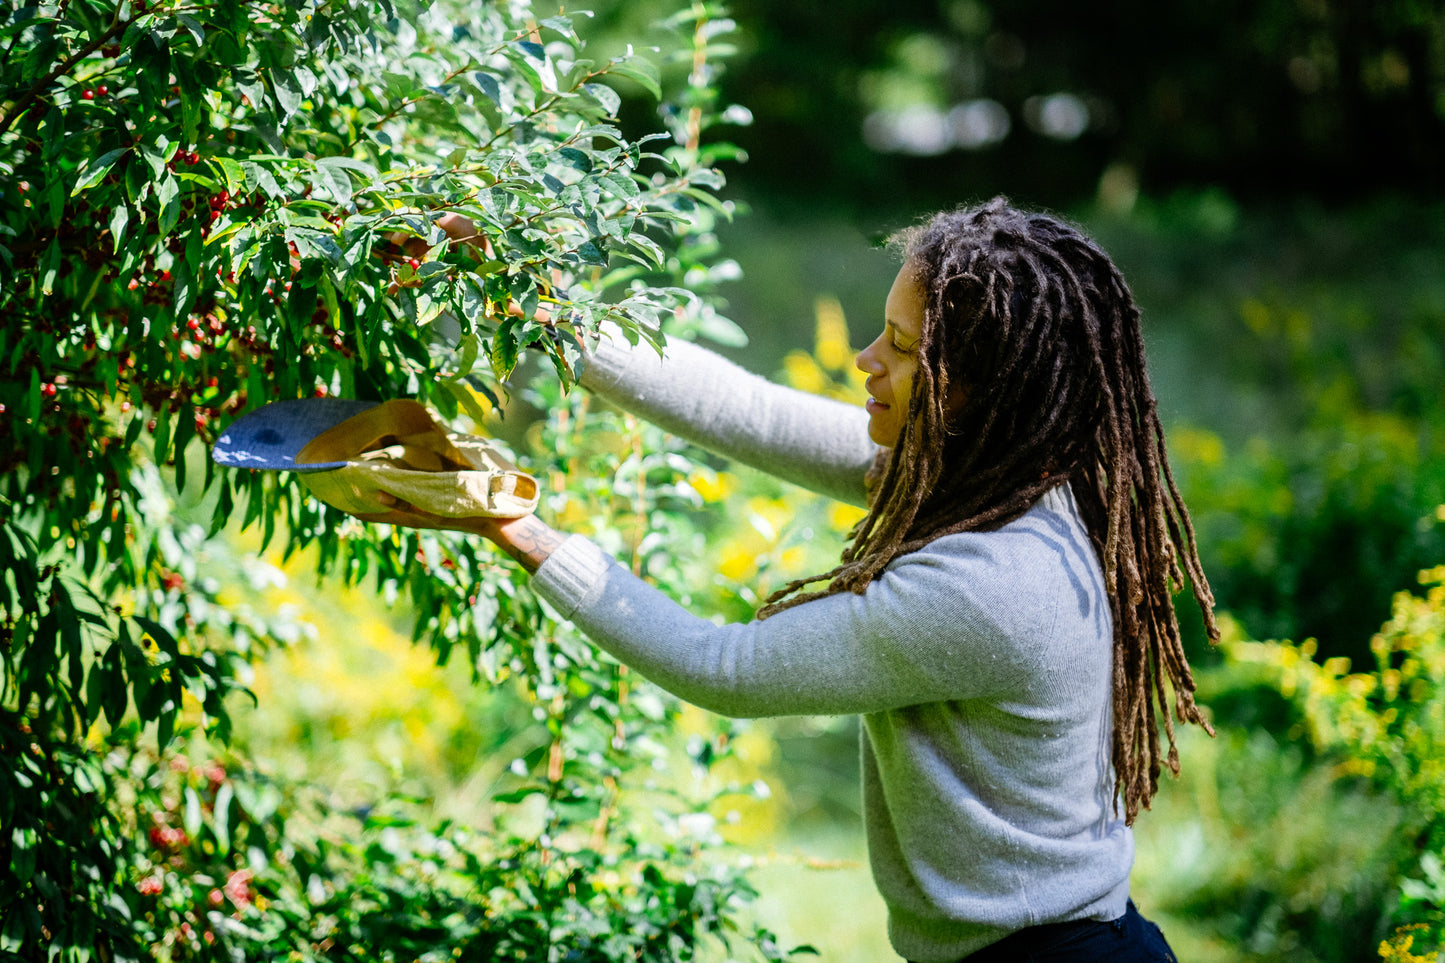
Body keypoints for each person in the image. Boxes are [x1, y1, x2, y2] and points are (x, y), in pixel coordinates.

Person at [357, 197, 1214, 962]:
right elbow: (748, 411)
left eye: (902, 347)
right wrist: (534, 307)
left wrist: (511, 524)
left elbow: (725, 668)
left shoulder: (993, 581)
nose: (865, 358)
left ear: (980, 390)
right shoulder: (1001, 472)